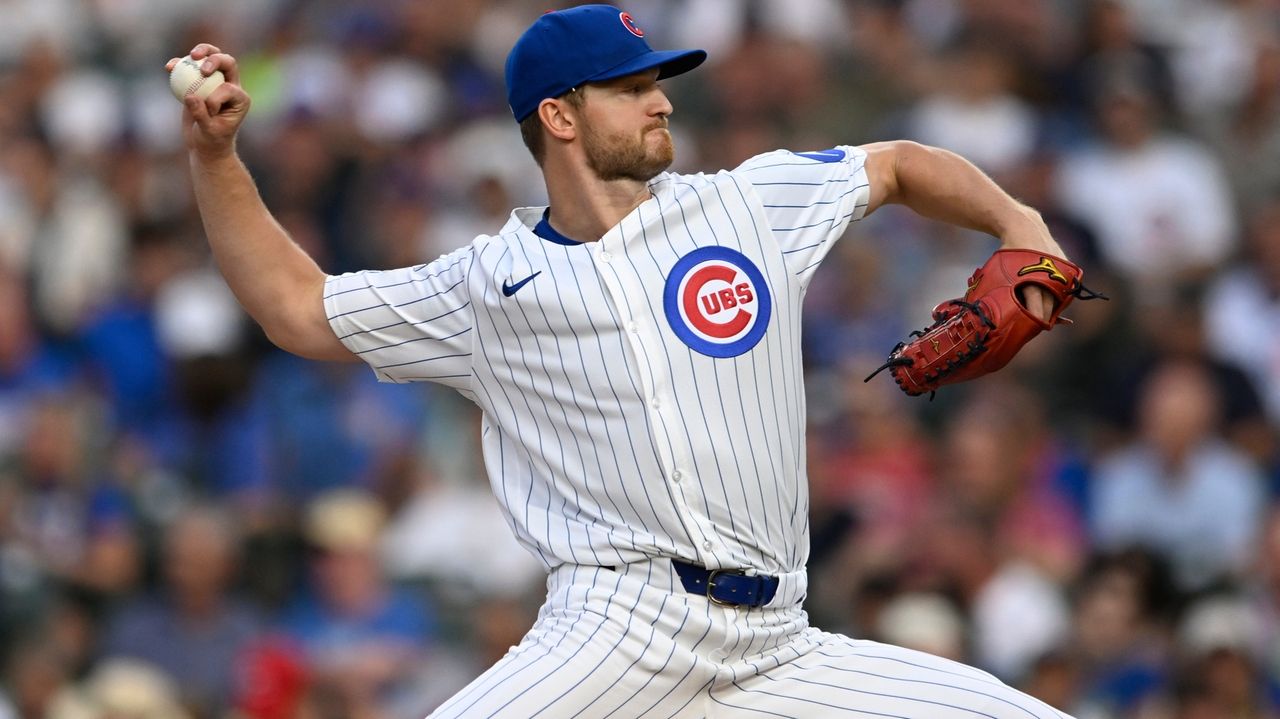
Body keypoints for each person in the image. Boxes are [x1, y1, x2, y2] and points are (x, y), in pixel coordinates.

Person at [168, 5, 1075, 717]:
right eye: (630, 87)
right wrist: (216, 156)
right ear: (560, 115)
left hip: (779, 642)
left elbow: (900, 164)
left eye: (658, 81)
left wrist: (1022, 229)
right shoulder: (491, 287)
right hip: (617, 631)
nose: (662, 100)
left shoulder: (746, 207)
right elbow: (297, 307)